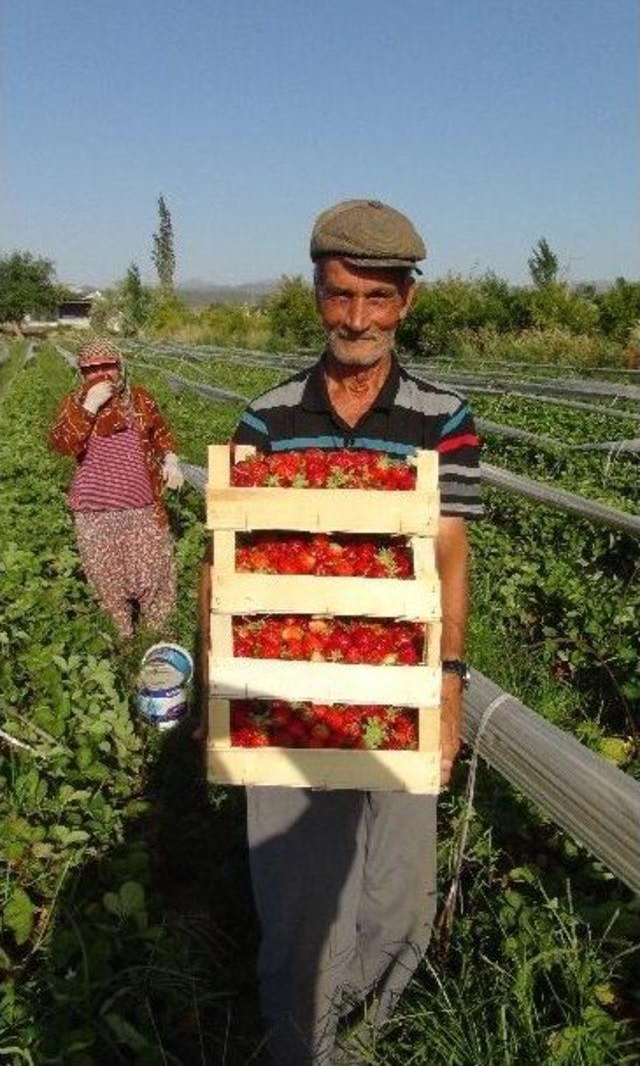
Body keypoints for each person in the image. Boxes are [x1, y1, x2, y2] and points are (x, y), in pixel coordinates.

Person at [198, 199, 483, 1065]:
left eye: (377, 297)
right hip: (283, 687)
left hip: (396, 682)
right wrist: (220, 685)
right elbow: (229, 556)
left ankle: (364, 1044)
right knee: (292, 896)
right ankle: (298, 1045)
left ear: (407, 301)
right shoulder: (267, 420)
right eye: (338, 295)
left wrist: (449, 679)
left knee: (395, 895)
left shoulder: (441, 418)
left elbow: (449, 555)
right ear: (315, 294)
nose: (356, 319)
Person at [49, 337, 184, 639]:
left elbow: (161, 433)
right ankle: (122, 642)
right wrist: (89, 407)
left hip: (143, 506)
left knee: (154, 575)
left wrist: (171, 459)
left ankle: (157, 640)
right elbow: (62, 443)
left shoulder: (140, 399)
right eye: (91, 369)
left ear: (120, 367)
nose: (100, 374)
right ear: (81, 373)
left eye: (107, 366)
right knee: (108, 581)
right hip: (95, 514)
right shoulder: (74, 404)